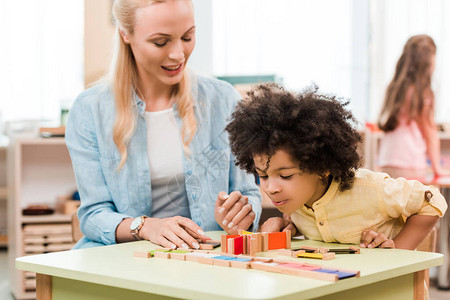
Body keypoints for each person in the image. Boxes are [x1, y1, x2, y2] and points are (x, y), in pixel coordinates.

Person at [65, 0, 261, 250]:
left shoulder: (224, 100)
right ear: (125, 34)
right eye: (161, 42)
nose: (178, 54)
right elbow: (93, 215)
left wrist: (242, 216)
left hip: (206, 260)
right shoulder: (89, 110)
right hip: (123, 260)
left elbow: (248, 193)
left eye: (187, 37)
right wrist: (146, 227)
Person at [225, 83, 447, 250]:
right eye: (262, 176)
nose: (271, 188)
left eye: (286, 176)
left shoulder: (372, 190)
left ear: (321, 167)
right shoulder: (297, 205)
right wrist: (285, 226)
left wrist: (397, 250)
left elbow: (433, 200)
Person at [377, 34, 447, 180]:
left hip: (386, 161)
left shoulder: (394, 87)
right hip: (410, 163)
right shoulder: (423, 92)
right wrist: (437, 168)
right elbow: (430, 132)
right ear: (429, 61)